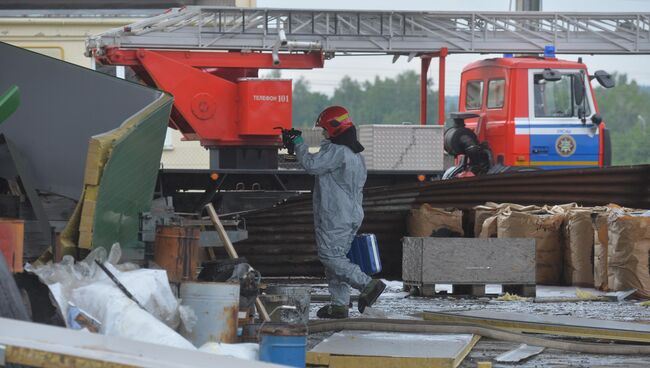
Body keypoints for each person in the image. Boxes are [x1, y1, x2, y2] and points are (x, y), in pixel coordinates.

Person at [291, 106, 386, 319]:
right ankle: (339, 305)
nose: (323, 134)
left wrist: (298, 144)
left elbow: (311, 165)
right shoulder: (355, 153)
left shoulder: (337, 151)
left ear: (334, 129)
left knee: (329, 256)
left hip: (336, 215)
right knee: (337, 259)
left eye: (324, 130)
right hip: (350, 214)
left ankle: (368, 285)